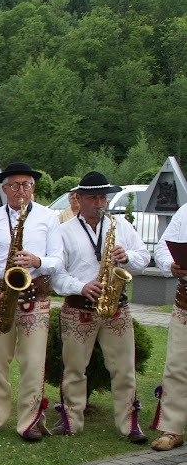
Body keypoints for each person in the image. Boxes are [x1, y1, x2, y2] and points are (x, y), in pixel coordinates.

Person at [50, 172, 150, 442]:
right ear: (78, 199)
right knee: (74, 369)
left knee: (124, 368)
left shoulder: (121, 225)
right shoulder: (64, 231)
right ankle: (71, 421)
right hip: (78, 307)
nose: (99, 203)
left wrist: (126, 257)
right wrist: (80, 286)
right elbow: (56, 276)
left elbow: (143, 257)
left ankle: (128, 423)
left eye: (103, 197)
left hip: (116, 307)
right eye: (93, 197)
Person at [0, 162, 63, 441]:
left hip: (34, 295)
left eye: (26, 185)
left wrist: (37, 261)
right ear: (5, 189)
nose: (21, 191)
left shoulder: (48, 217)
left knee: (33, 362)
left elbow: (58, 260)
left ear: (33, 188)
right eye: (15, 185)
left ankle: (29, 421)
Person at [151, 200, 187, 451]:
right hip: (185, 300)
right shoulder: (185, 211)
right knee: (176, 365)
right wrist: (170, 265)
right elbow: (163, 247)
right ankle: (172, 428)